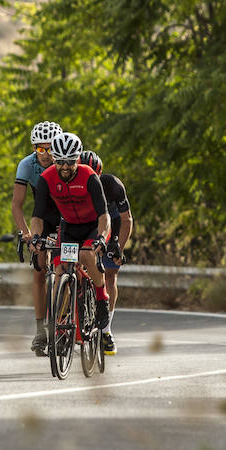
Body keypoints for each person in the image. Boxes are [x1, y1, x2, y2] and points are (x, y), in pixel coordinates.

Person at [29, 131, 111, 335]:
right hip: (70, 228)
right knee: (60, 271)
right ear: (54, 158)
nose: (65, 166)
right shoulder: (46, 179)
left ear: (78, 158)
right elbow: (37, 216)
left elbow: (104, 215)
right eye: (61, 161)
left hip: (93, 226)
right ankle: (58, 323)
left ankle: (101, 298)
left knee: (85, 255)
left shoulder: (89, 176)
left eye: (71, 161)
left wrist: (102, 236)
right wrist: (36, 237)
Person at [12, 120, 62, 355]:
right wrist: (26, 233)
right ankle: (40, 329)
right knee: (40, 268)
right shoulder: (26, 165)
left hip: (69, 217)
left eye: (50, 148)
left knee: (67, 268)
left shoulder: (68, 162)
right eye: (39, 148)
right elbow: (17, 204)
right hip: (42, 217)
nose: (44, 154)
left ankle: (67, 321)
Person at [80, 149, 131, 356]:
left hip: (112, 224)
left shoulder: (113, 185)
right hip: (86, 224)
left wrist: (120, 246)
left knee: (110, 274)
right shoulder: (72, 184)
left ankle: (106, 330)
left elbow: (127, 219)